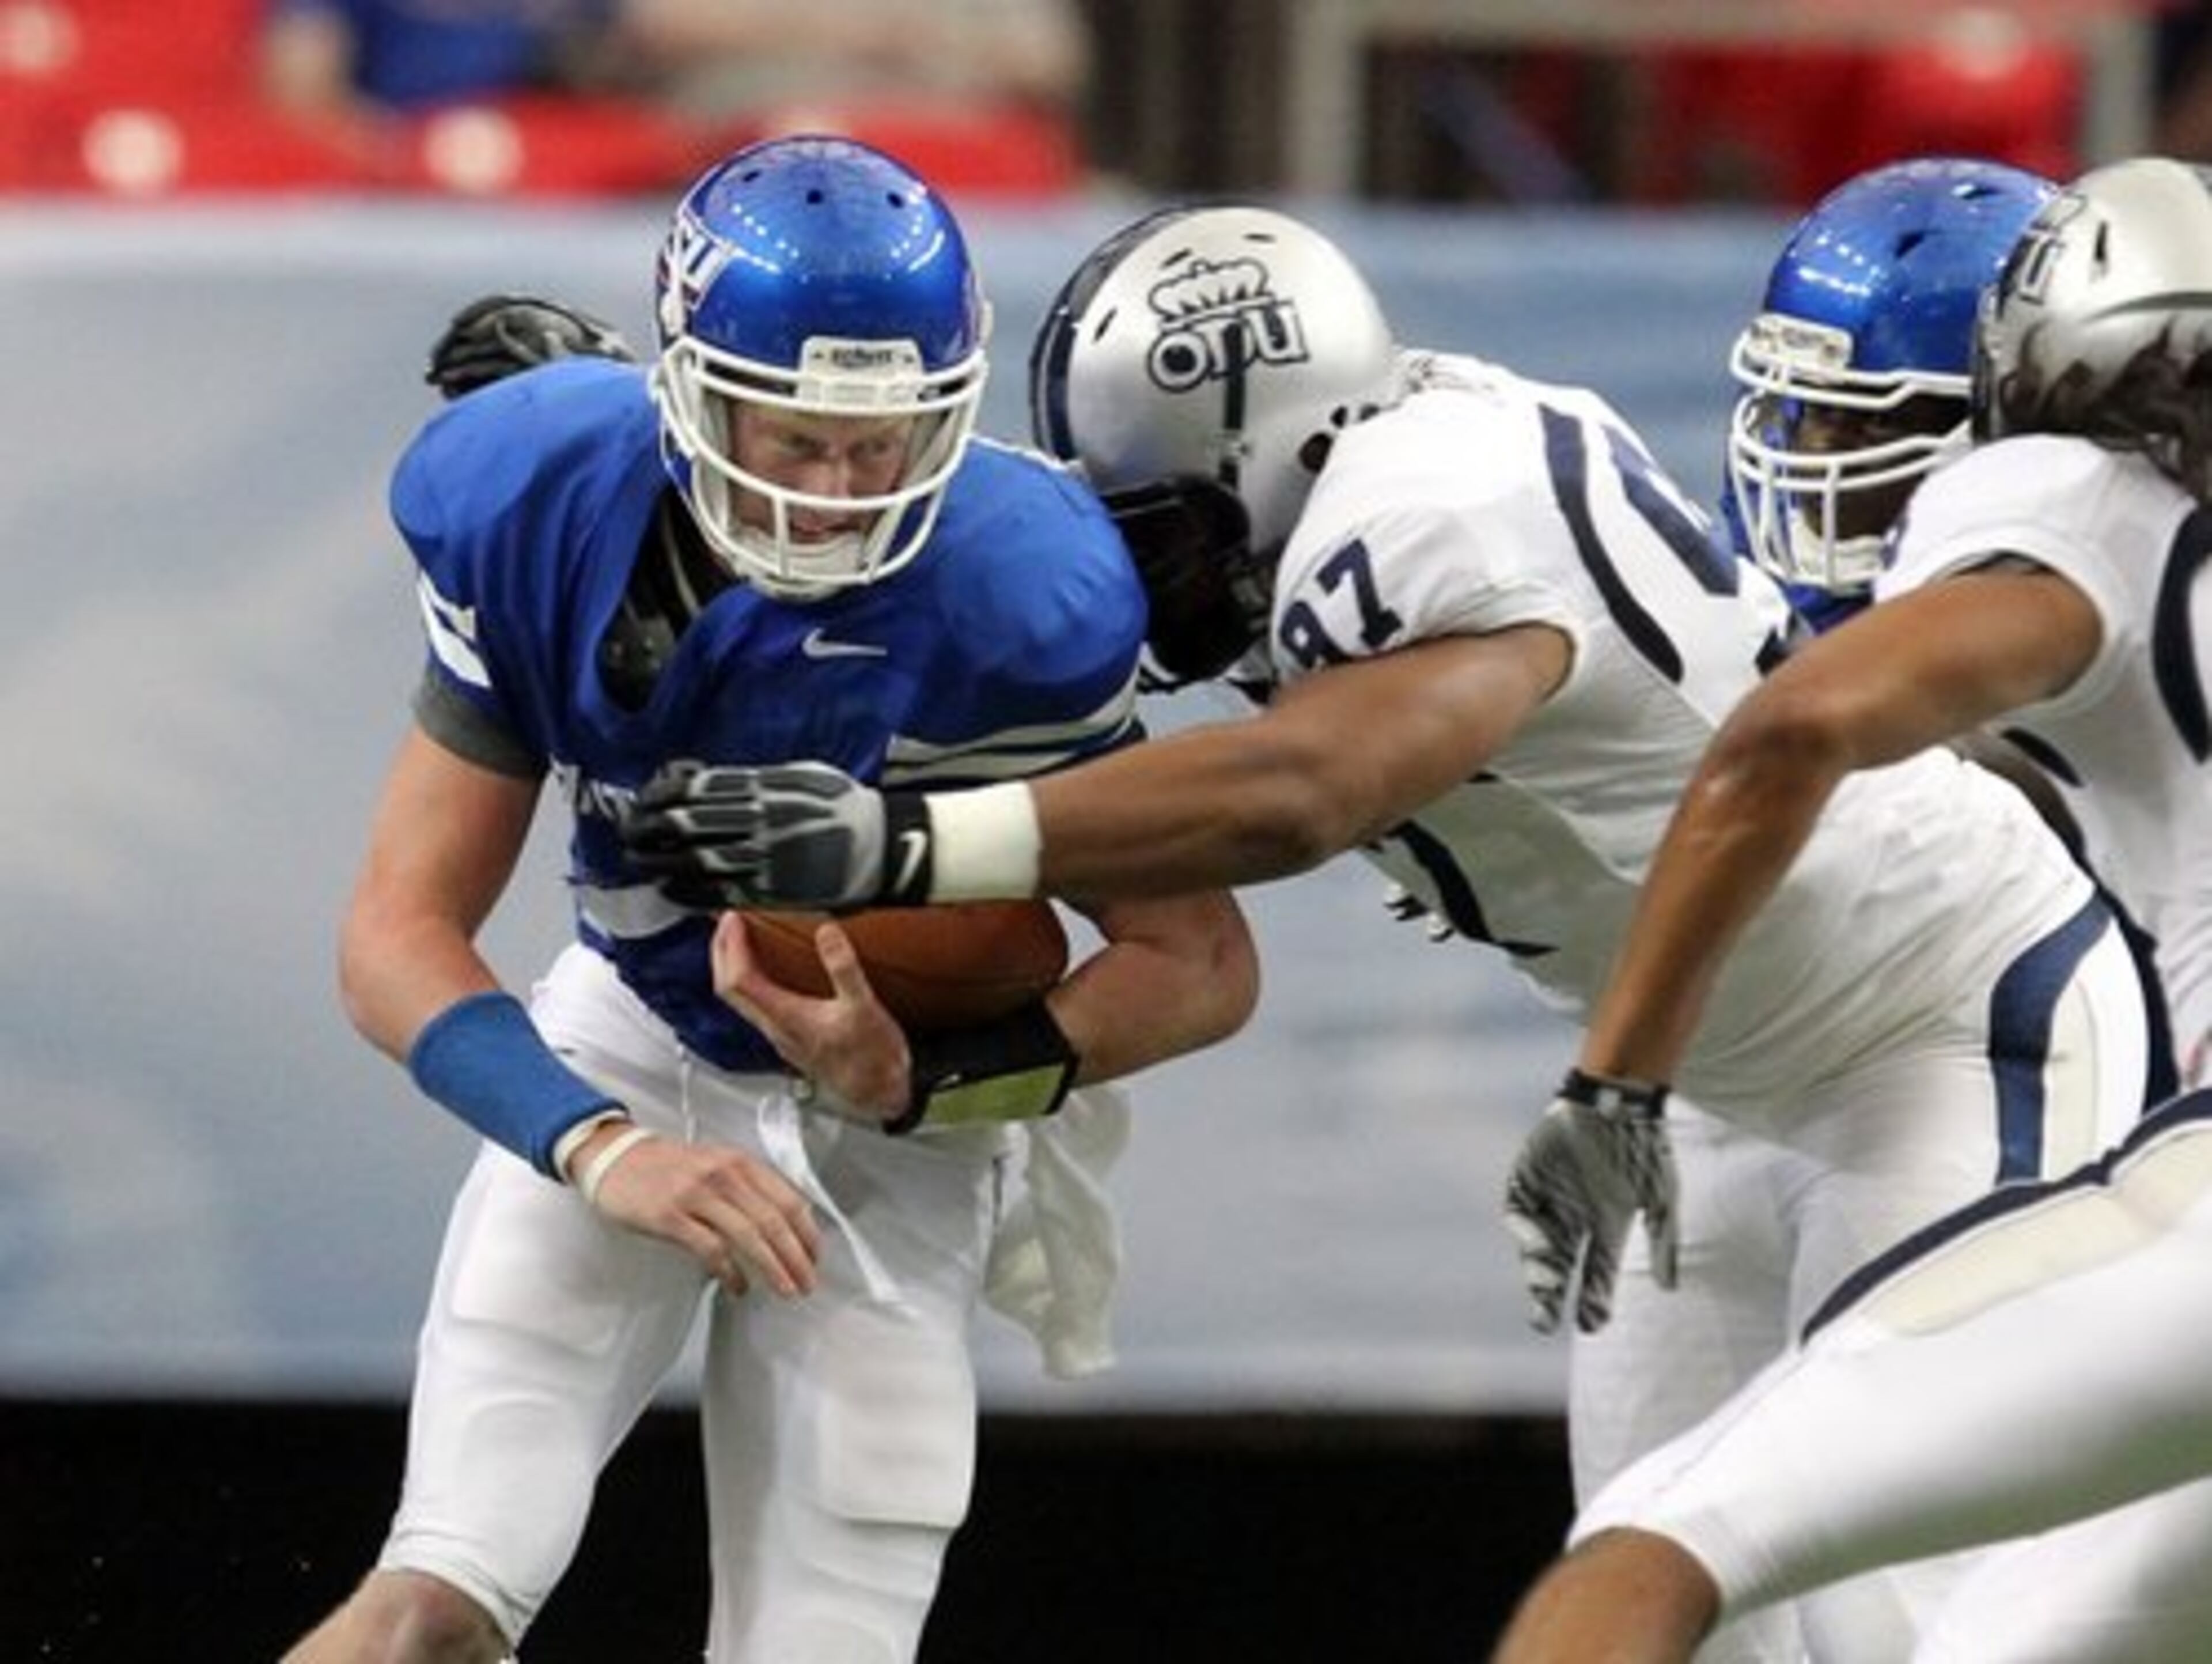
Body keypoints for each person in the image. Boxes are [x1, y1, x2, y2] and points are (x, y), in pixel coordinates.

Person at [618, 201, 2160, 1656]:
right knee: (1656, 1573)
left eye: (1152, 530)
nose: (1132, 586)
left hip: (1949, 1024)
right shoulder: (1342, 495)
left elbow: (1310, 789)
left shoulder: (1436, 507)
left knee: (1908, 1618)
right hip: (1695, 1078)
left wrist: (915, 844)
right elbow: (1198, 957)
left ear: (1270, 444)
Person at [281, 135, 1256, 1664]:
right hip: (628, 1041)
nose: (835, 491)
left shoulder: (1022, 593)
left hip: (896, 1128)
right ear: (683, 394)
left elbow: (1197, 959)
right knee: (429, 1613)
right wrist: (602, 1151)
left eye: (882, 441)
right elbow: (391, 938)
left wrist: (934, 1076)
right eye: (790, 436)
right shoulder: (538, 503)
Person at [1490, 153, 2212, 1662]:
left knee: (1696, 1551)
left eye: (1863, 433)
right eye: (1804, 420)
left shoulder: (2070, 502)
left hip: (2066, 1127)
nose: (1816, 463)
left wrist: (1611, 1080)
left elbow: (1798, 732)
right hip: (1791, 1089)